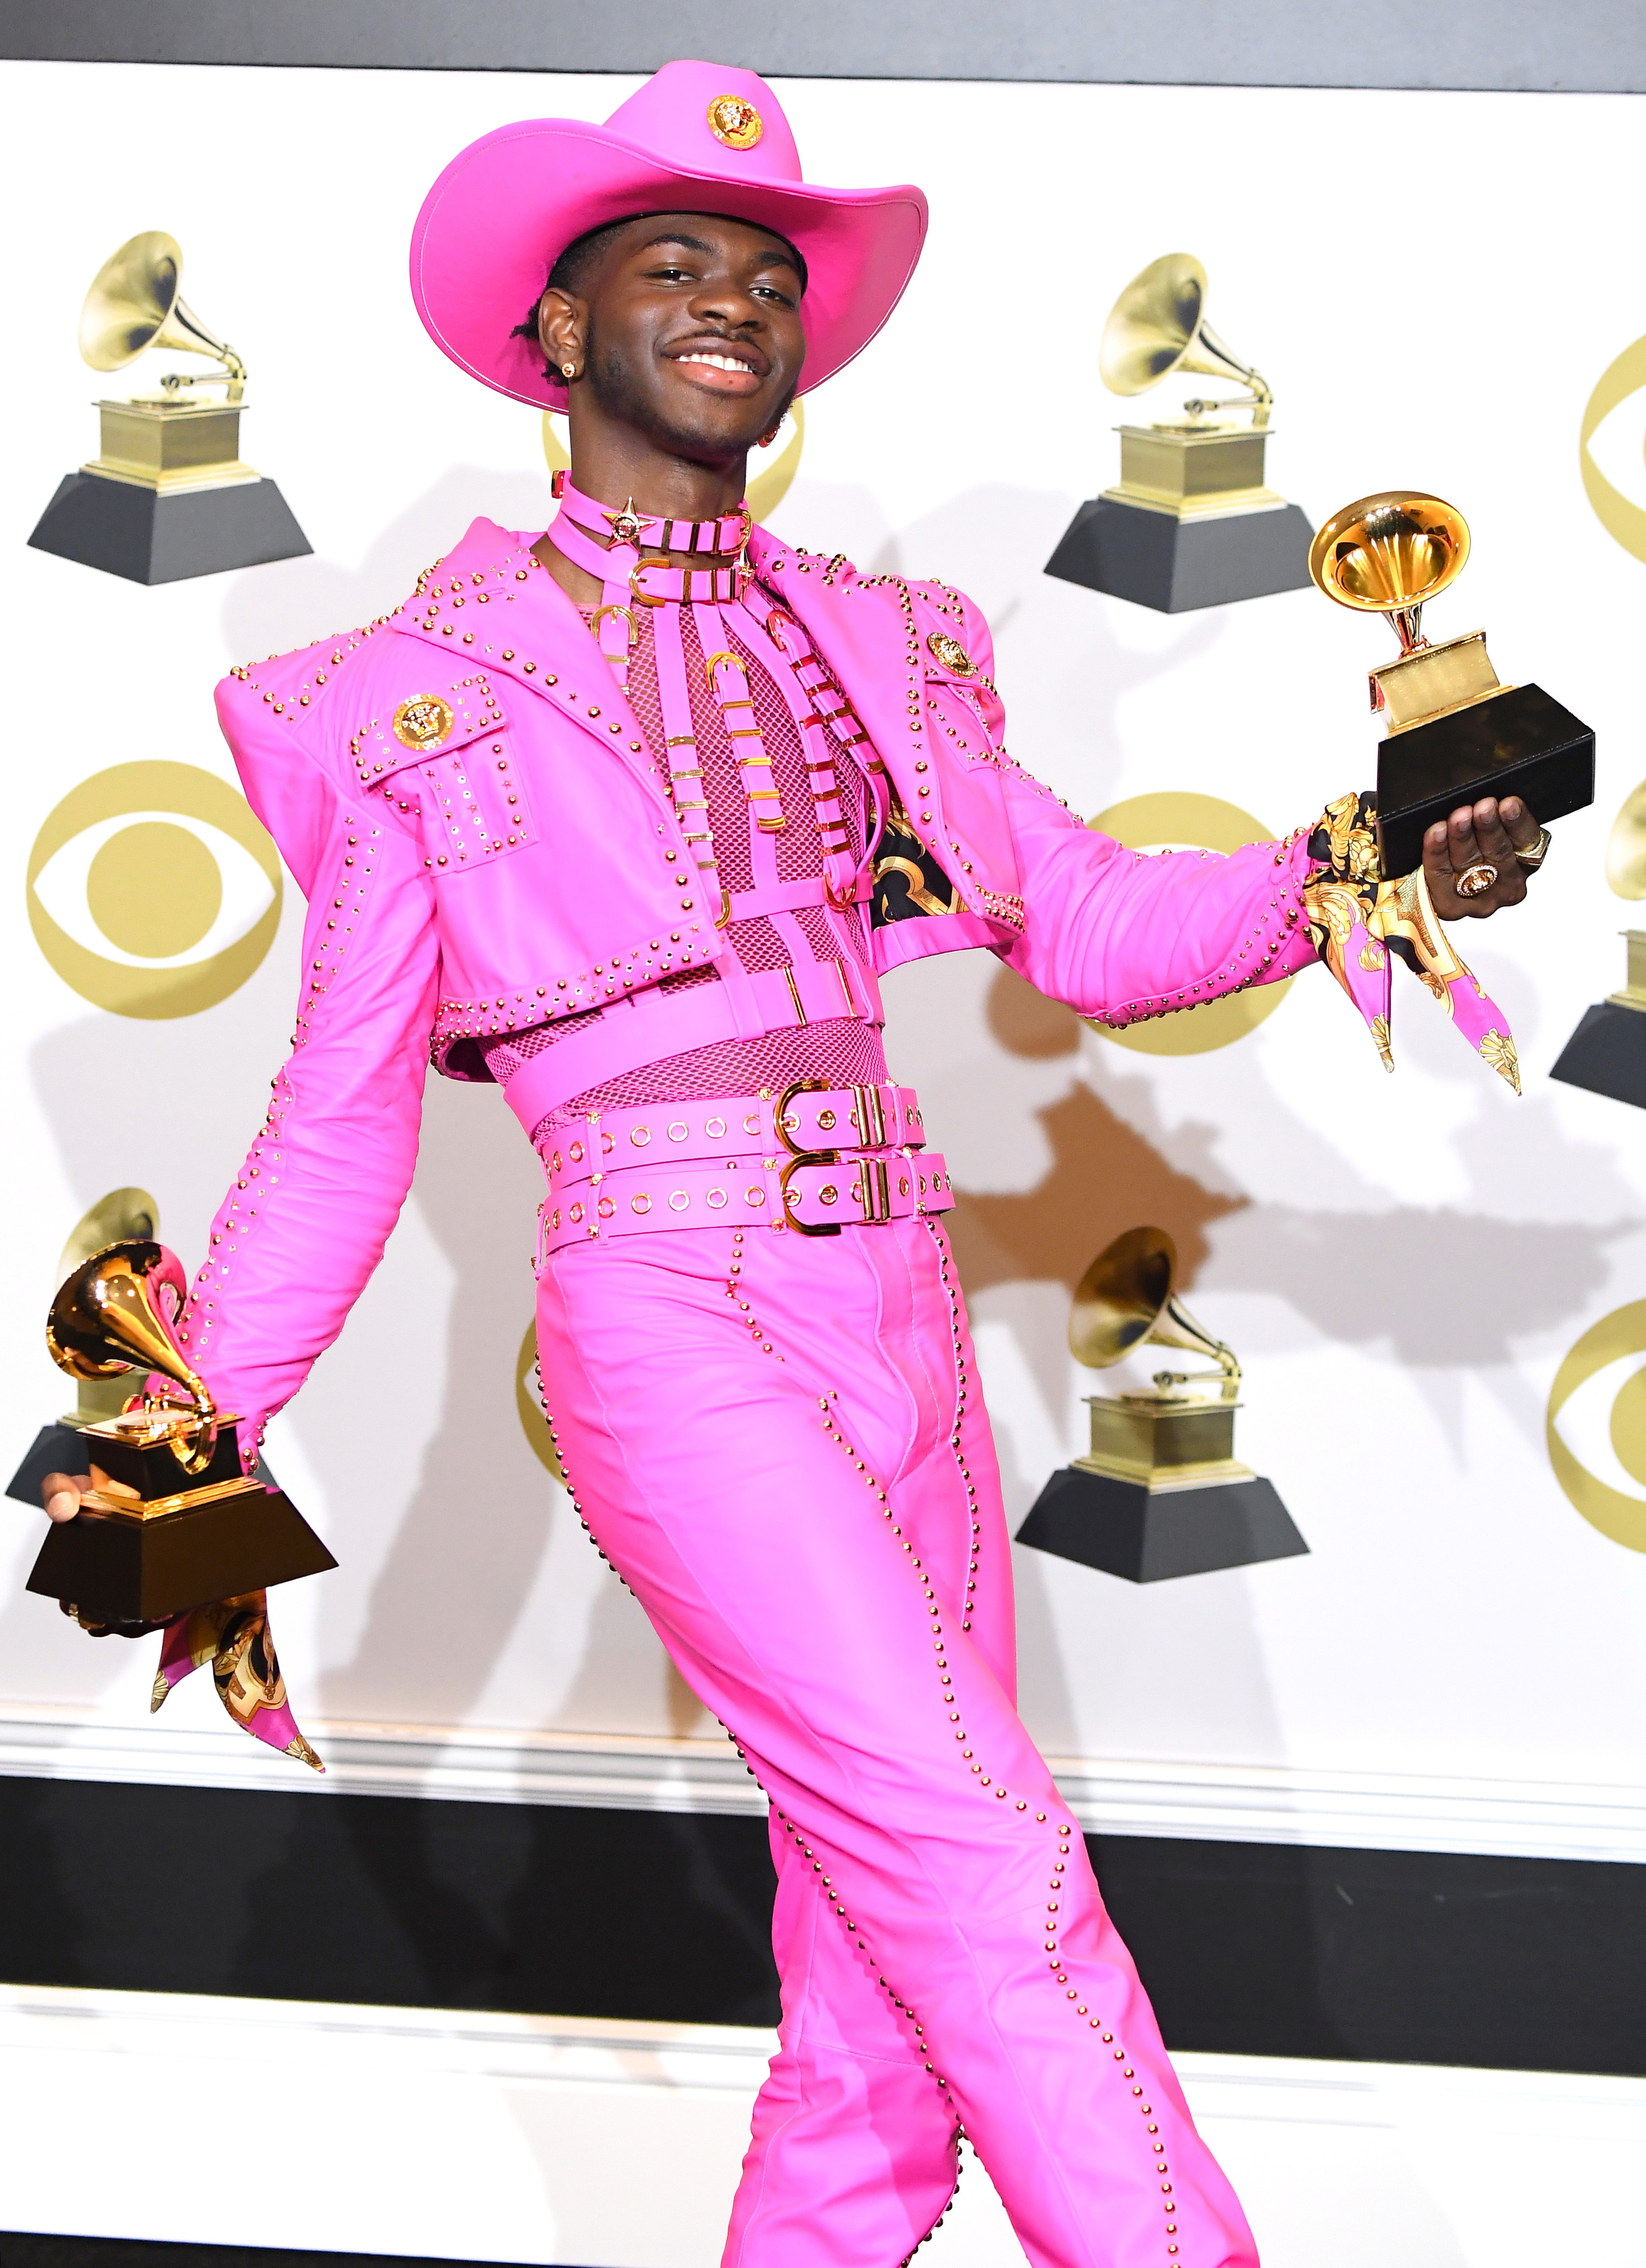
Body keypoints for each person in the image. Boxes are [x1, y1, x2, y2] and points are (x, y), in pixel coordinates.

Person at [43, 59, 1548, 2268]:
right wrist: (185, 1432)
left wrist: (1359, 846)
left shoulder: (891, 642)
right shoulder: (395, 692)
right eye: (676, 260)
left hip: (906, 1305)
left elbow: (1105, 929)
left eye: (768, 273)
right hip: (672, 1312)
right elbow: (342, 1102)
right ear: (554, 334)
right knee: (979, 1859)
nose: (737, 296)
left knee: (873, 1992)